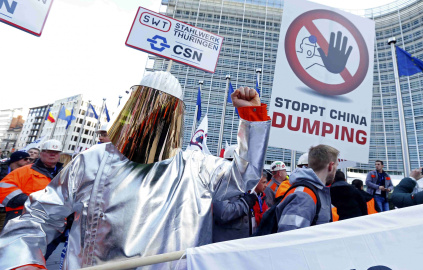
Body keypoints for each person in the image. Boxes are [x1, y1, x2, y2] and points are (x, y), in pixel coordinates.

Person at [0, 71, 271, 270]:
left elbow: (244, 175)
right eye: (146, 110)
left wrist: (252, 118)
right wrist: (24, 261)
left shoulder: (196, 165)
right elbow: (38, 218)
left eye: (162, 114)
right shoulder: (92, 161)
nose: (151, 122)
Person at [276, 144, 339, 232]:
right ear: (331, 166)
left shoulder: (316, 191)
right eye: (336, 167)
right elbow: (289, 238)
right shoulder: (303, 195)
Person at [0, 140, 63, 226]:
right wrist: (29, 200)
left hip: (53, 222)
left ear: (59, 155)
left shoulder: (65, 174)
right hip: (22, 218)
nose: (52, 154)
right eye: (48, 151)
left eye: (56, 152)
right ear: (41, 153)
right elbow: (3, 188)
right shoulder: (25, 171)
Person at [212, 144, 259, 243]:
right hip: (226, 246)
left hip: (239, 244)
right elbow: (223, 213)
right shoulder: (222, 182)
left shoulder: (241, 182)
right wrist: (245, 202)